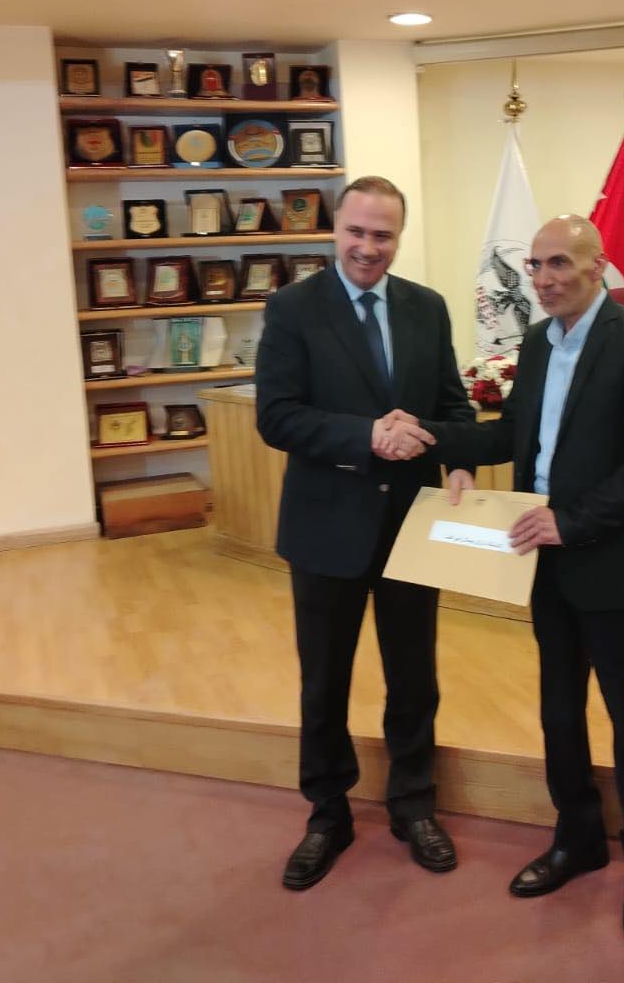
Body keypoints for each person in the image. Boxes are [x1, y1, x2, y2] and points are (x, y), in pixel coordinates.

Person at [430, 215, 624, 942]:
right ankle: (578, 837)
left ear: (598, 266)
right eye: (535, 265)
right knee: (559, 709)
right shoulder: (539, 342)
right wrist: (435, 438)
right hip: (544, 562)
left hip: (613, 561)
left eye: (560, 263)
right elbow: (514, 435)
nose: (544, 279)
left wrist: (572, 521)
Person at [255, 175, 476, 890]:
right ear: (335, 229)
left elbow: (451, 407)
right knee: (325, 681)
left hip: (413, 524)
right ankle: (327, 815)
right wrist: (365, 436)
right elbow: (277, 416)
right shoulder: (292, 308)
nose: (368, 247)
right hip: (326, 528)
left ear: (399, 237)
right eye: (356, 231)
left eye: (383, 235)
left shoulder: (426, 307)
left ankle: (414, 804)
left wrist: (458, 458)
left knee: (414, 676)